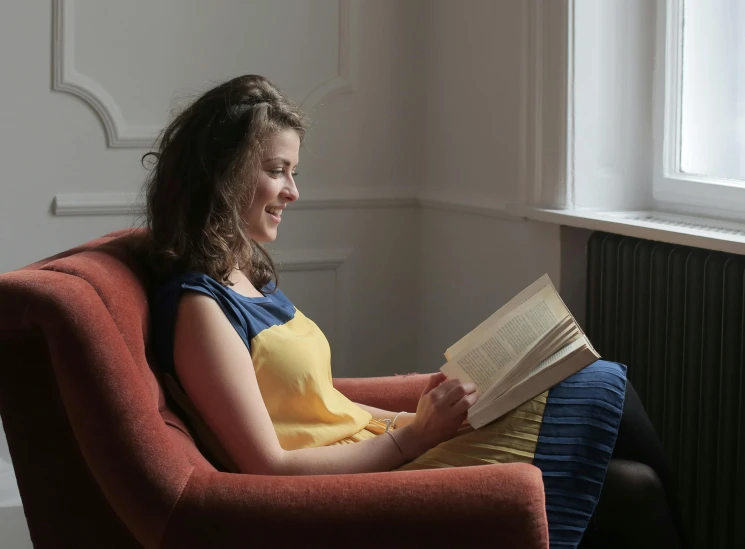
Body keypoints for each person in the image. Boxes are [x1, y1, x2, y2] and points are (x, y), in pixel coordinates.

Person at [144, 75, 684, 549]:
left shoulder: (244, 277)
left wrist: (422, 416)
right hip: (368, 481)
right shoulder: (201, 309)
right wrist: (417, 436)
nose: (293, 192)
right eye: (278, 170)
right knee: (608, 416)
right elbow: (270, 466)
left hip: (386, 445)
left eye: (293, 171)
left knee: (621, 451)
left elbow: (321, 406)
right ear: (224, 174)